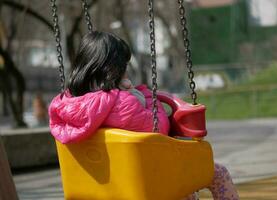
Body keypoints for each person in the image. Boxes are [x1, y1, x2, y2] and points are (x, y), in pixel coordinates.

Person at [49, 31, 239, 200]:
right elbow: (159, 129)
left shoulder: (65, 104)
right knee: (216, 173)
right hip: (143, 181)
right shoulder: (123, 102)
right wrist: (143, 95)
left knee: (186, 190)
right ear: (114, 68)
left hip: (98, 184)